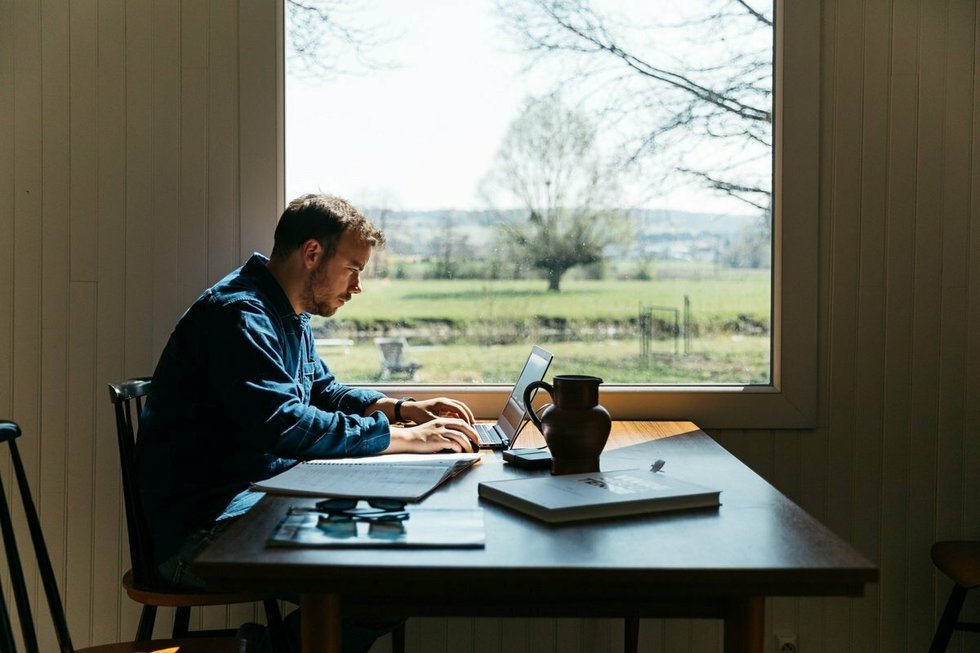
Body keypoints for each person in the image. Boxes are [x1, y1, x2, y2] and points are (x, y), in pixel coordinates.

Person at [136, 193, 479, 652]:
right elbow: (283, 425)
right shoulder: (240, 314)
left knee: (393, 569)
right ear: (313, 253)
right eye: (353, 268)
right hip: (200, 532)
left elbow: (322, 392)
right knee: (383, 588)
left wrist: (398, 408)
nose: (357, 286)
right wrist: (402, 439)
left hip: (256, 501)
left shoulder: (285, 311)